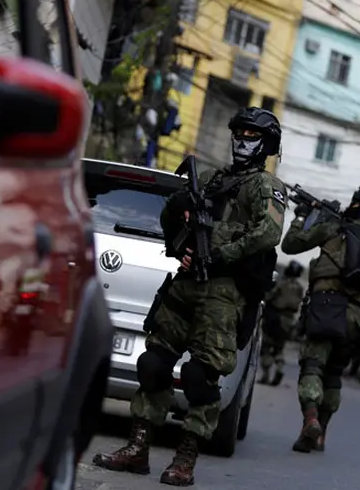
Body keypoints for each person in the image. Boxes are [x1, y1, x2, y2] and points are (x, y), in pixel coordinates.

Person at [92, 107, 287, 486]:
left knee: (200, 376)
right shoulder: (211, 179)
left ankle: (185, 460)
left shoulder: (265, 186)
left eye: (251, 136)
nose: (242, 141)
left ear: (266, 145)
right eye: (239, 133)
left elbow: (268, 234)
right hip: (184, 284)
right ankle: (137, 449)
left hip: (224, 293)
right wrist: (178, 242)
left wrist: (221, 254)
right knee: (153, 364)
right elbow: (171, 212)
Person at [281, 185, 360, 453]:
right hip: (354, 316)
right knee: (334, 375)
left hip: (325, 308)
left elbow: (291, 244)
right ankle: (322, 434)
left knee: (313, 367)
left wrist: (303, 216)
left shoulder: (331, 230)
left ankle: (310, 420)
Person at [260, 260, 305, 386]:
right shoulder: (299, 288)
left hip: (275, 317)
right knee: (279, 348)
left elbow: (269, 296)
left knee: (266, 347)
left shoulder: (281, 283)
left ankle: (266, 375)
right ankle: (279, 369)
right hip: (288, 321)